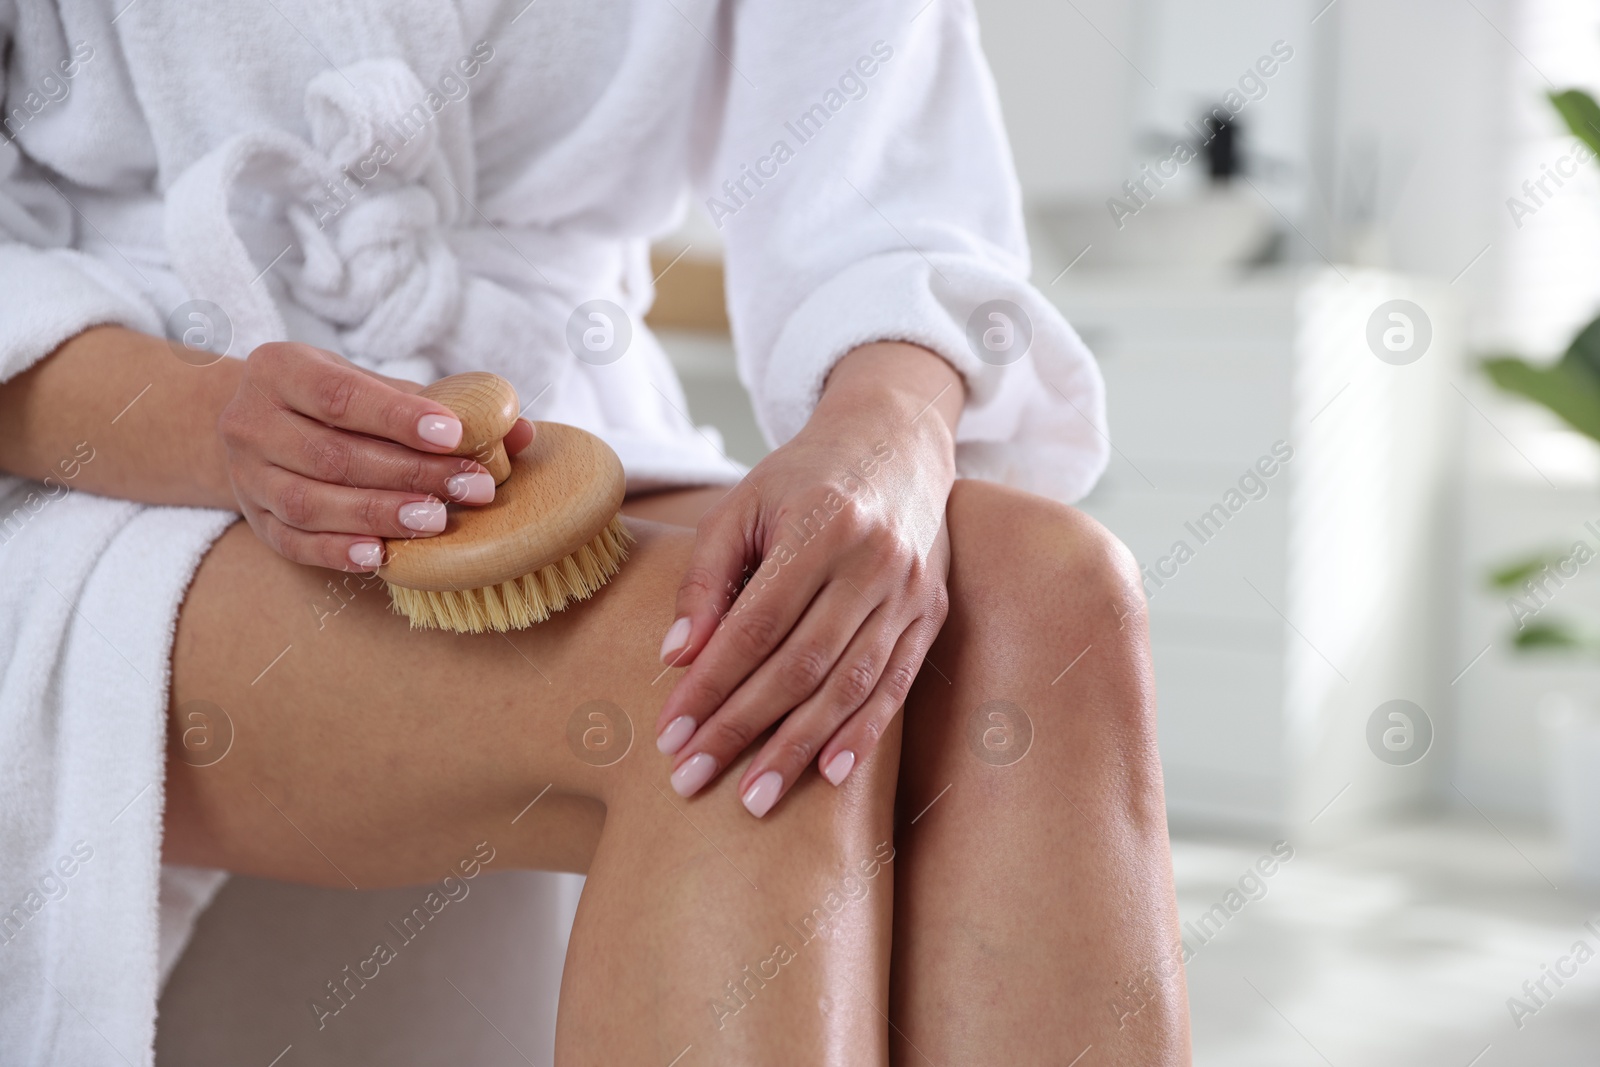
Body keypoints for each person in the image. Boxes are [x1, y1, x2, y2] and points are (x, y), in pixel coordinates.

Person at [0, 0, 1190, 1062]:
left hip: (561, 408)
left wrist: (887, 430)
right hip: (109, 440)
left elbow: (885, 183)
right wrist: (207, 420)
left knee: (1052, 601)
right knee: (721, 693)